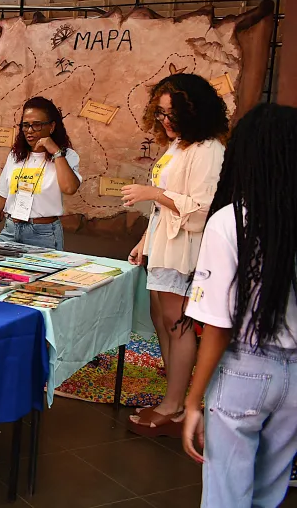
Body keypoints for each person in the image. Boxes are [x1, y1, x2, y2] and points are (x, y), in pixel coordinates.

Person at [180, 103, 297, 507]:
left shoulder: (231, 222)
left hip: (246, 369)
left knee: (226, 497)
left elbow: (218, 325)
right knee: (270, 494)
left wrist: (192, 401)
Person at [123, 73, 228, 436]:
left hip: (185, 248)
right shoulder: (180, 145)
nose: (165, 121)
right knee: (161, 317)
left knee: (176, 322)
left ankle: (176, 406)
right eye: (161, 113)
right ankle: (176, 396)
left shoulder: (208, 149)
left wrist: (151, 194)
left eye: (172, 114)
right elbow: (163, 206)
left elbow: (201, 210)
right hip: (164, 244)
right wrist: (144, 241)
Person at [0, 97, 80, 249]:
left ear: (51, 127)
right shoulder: (16, 155)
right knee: (1, 272)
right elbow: (1, 196)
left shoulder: (66, 156)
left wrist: (56, 152)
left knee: (44, 274)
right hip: (11, 230)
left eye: (36, 125)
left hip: (43, 234)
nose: (29, 131)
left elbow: (69, 188)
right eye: (25, 125)